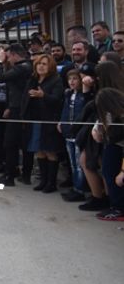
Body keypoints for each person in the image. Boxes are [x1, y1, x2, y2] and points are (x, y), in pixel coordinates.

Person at [22, 54, 64, 192]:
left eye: (44, 64)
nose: (40, 66)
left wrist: (43, 95)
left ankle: (51, 183)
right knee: (39, 150)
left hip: (49, 120)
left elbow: (57, 99)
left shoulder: (56, 80)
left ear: (50, 66)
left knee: (49, 150)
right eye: (39, 63)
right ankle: (43, 180)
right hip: (34, 119)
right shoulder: (32, 80)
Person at [0, 43, 32, 187]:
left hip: (20, 111)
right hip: (16, 108)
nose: (7, 60)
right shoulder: (24, 66)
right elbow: (12, 88)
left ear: (14, 55)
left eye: (8, 57)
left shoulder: (23, 67)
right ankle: (19, 173)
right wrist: (9, 106)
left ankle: (11, 176)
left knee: (11, 143)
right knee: (18, 144)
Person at [92, 88, 124, 221]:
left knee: (115, 177)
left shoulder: (120, 116)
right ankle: (116, 206)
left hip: (119, 147)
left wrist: (123, 170)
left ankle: (119, 208)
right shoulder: (110, 114)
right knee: (108, 173)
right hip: (114, 146)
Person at [58, 70, 89, 202]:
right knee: (72, 163)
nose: (71, 81)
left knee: (79, 164)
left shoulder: (84, 96)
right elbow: (65, 111)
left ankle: (80, 190)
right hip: (68, 132)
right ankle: (76, 187)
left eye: (75, 78)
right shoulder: (68, 94)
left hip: (79, 134)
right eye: (69, 79)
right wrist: (61, 122)